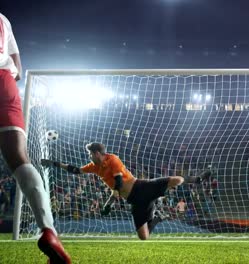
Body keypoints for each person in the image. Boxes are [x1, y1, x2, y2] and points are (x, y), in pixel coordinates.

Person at [0, 13, 71, 264]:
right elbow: (17, 69)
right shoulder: (3, 20)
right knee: (20, 159)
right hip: (4, 82)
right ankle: (48, 231)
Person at [41, 142, 210, 240]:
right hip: (135, 201)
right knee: (143, 237)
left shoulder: (112, 159)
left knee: (175, 180)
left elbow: (119, 183)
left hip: (141, 188)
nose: (89, 157)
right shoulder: (94, 167)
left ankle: (197, 179)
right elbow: (76, 170)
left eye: (90, 154)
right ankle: (157, 219)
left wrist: (109, 203)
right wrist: (55, 164)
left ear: (97, 153)